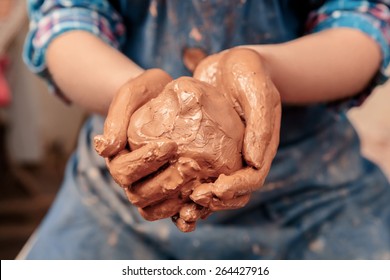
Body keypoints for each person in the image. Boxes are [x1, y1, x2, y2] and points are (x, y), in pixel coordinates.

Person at [21, 0, 390, 259]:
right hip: (123, 190)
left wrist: (264, 68)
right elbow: (66, 17)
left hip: (312, 190)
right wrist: (129, 96)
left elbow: (361, 19)